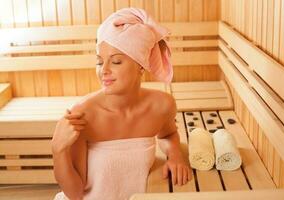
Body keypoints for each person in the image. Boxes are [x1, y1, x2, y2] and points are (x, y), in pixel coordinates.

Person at [51, 7, 192, 200]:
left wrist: (175, 155)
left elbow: (168, 134)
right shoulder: (83, 115)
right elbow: (74, 193)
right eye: (100, 62)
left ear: (140, 66)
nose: (104, 70)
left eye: (116, 62)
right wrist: (58, 149)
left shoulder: (162, 105)